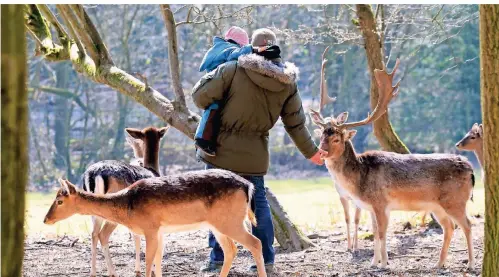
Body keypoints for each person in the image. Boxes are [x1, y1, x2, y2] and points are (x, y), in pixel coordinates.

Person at [192, 28, 326, 274]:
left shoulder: (231, 69)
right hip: (255, 156)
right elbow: (295, 124)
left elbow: (199, 97)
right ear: (276, 49)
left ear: (251, 48)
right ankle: (265, 262)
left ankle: (218, 260)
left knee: (216, 206)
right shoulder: (287, 82)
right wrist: (312, 152)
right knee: (259, 206)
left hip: (219, 152)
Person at [195, 26, 266, 156]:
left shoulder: (217, 49)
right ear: (239, 43)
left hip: (213, 84)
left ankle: (204, 139)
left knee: (212, 112)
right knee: (212, 113)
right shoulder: (229, 49)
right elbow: (235, 55)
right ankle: (202, 139)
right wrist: (252, 49)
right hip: (218, 85)